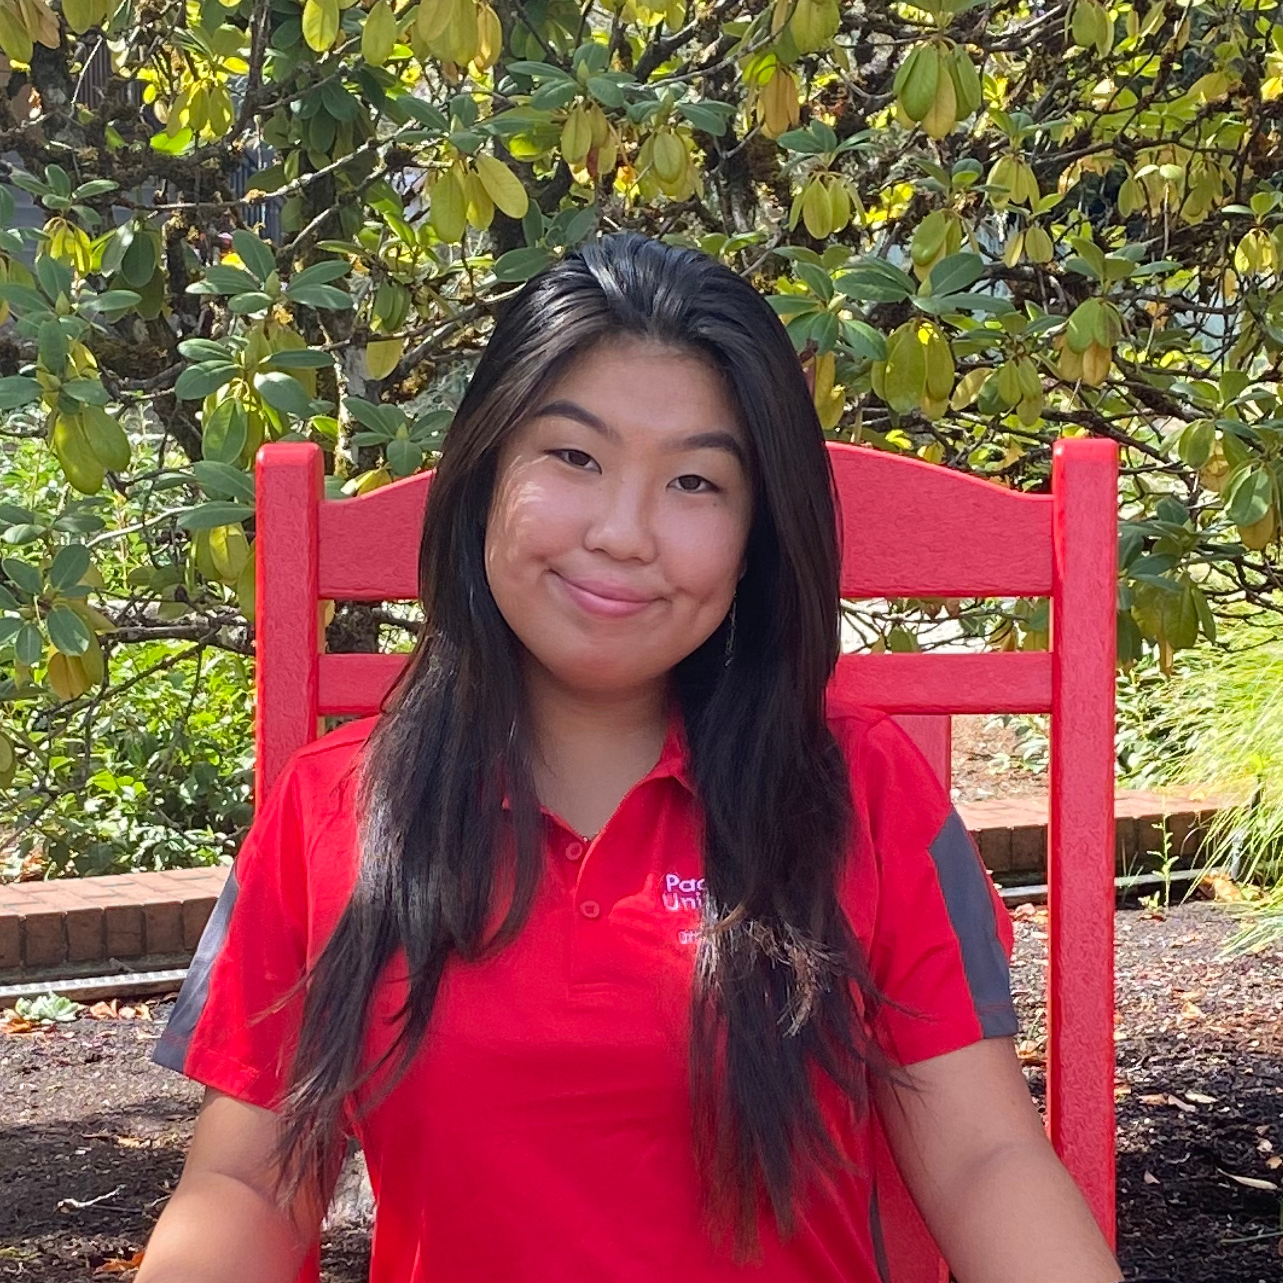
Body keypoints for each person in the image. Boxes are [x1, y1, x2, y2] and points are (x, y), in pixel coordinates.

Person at [139, 232, 1130, 1283]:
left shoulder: (861, 789)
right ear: (484, 473)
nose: (622, 532)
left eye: (695, 481)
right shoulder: (334, 806)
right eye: (574, 457)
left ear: (754, 539)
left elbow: (982, 1160)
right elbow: (247, 1182)